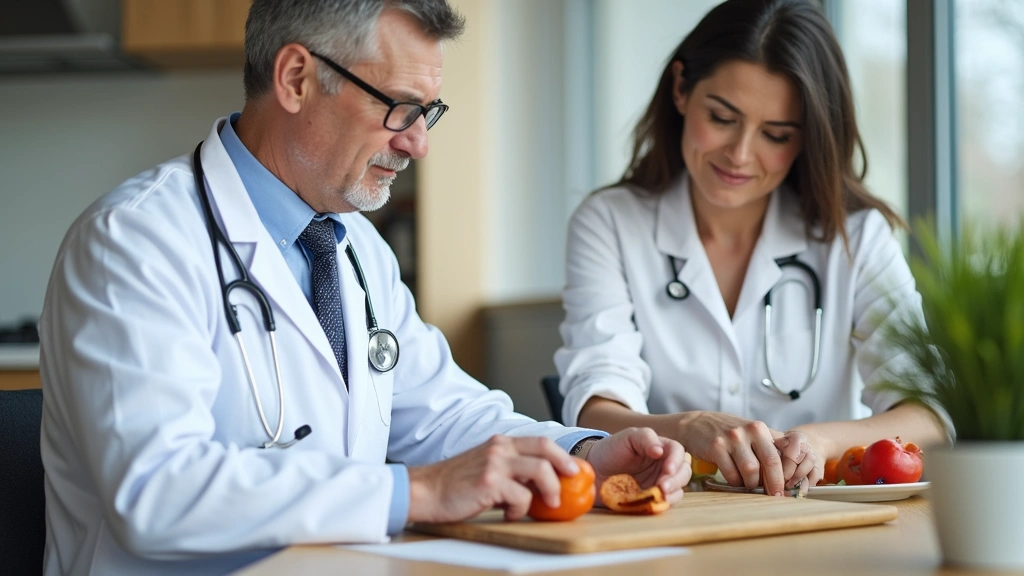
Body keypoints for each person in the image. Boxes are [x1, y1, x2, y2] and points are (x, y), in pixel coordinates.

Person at [38, 2, 691, 574]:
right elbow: (156, 492)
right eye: (399, 108)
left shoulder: (353, 248)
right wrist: (419, 493)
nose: (418, 143)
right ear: (296, 78)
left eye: (427, 112)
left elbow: (445, 414)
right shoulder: (137, 240)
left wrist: (580, 453)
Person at [554, 0, 947, 498]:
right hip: (673, 515)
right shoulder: (609, 222)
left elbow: (928, 416)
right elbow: (595, 406)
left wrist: (815, 443)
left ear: (808, 138)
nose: (740, 155)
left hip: (815, 521)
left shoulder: (857, 236)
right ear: (680, 88)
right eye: (722, 118)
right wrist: (690, 426)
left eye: (776, 134)